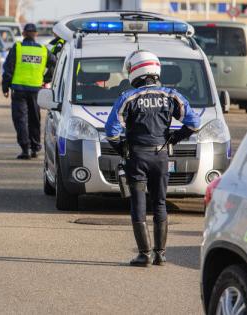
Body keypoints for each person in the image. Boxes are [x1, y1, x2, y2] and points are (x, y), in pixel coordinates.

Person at [105, 50, 200, 267]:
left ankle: (144, 254)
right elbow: (194, 123)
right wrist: (175, 138)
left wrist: (122, 149)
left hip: (137, 156)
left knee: (138, 204)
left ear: (136, 71)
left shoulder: (128, 97)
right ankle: (160, 254)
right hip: (161, 156)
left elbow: (111, 131)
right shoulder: (171, 95)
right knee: (160, 202)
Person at [2, 23, 57, 160]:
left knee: (20, 120)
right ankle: (35, 147)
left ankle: (25, 149)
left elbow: (9, 68)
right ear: (36, 34)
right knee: (34, 119)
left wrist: (5, 87)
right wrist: (47, 78)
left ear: (24, 33)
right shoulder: (43, 50)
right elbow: (55, 63)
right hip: (35, 90)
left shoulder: (18, 48)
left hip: (18, 89)